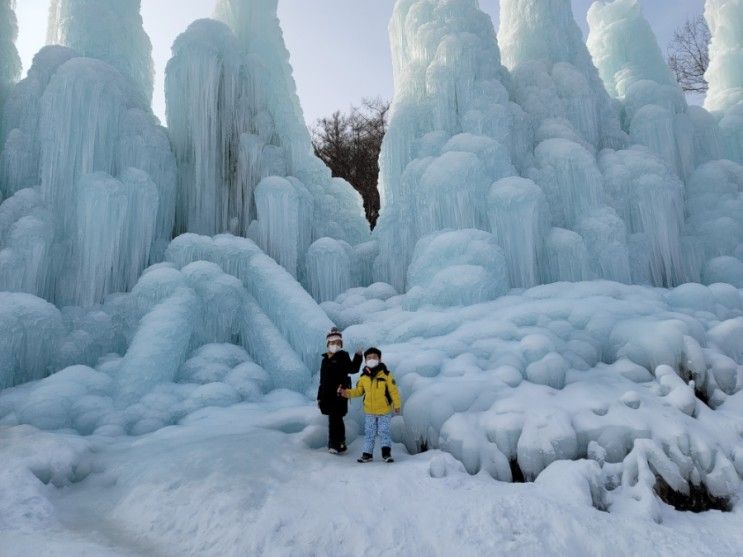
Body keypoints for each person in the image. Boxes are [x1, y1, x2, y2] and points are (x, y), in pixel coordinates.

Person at [340, 347, 401, 463]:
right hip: (369, 412)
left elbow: (393, 391)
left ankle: (386, 454)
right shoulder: (363, 377)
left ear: (379, 359)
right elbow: (358, 391)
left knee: (384, 432)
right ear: (365, 360)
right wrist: (346, 393)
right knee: (369, 433)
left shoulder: (387, 375)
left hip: (384, 411)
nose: (372, 359)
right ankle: (367, 454)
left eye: (374, 357)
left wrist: (396, 405)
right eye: (369, 358)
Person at [317, 327, 362, 454]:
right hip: (327, 394)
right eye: (332, 343)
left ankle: (337, 444)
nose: (335, 345)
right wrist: (319, 397)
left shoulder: (343, 356)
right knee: (333, 419)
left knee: (336, 418)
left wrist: (358, 357)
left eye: (338, 343)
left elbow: (353, 369)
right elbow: (322, 380)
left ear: (341, 344)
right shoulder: (325, 360)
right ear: (328, 344)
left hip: (340, 392)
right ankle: (336, 444)